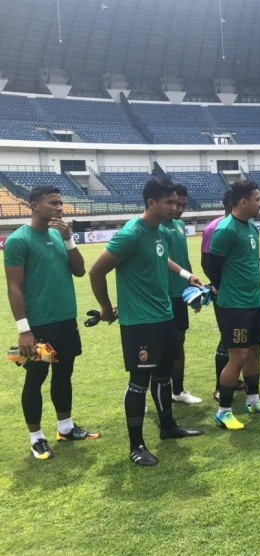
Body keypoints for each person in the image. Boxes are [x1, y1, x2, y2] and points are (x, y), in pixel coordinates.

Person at [89, 177, 203, 466]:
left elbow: (162, 259)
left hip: (164, 316)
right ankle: (136, 445)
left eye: (177, 203)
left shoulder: (159, 231)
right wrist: (105, 308)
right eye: (170, 202)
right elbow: (96, 272)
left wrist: (185, 275)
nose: (175, 208)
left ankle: (168, 427)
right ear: (151, 202)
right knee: (139, 381)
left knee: (163, 375)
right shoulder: (131, 233)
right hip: (139, 322)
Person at [4, 186, 98, 460]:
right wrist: (24, 331)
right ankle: (36, 438)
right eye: (53, 203)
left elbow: (80, 271)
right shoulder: (19, 240)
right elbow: (14, 288)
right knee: (35, 378)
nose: (59, 207)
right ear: (34, 206)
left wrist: (69, 240)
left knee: (64, 374)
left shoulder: (60, 236)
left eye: (60, 203)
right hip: (38, 326)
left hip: (65, 321)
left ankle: (65, 428)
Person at [208, 180, 260, 430]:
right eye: (258, 199)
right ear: (243, 202)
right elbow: (212, 265)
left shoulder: (251, 228)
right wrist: (220, 287)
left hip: (253, 302)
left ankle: (253, 400)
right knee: (237, 356)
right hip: (234, 305)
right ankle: (224, 411)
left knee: (255, 350)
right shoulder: (226, 229)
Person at [201, 190, 245, 401]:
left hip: (241, 294)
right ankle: (220, 386)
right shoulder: (216, 227)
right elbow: (207, 262)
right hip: (224, 292)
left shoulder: (243, 225)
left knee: (238, 341)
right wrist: (219, 286)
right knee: (226, 339)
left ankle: (233, 380)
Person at [162, 183, 202, 404]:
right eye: (176, 204)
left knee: (179, 341)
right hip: (160, 295)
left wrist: (191, 289)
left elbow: (183, 259)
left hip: (179, 294)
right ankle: (148, 389)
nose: (179, 209)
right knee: (158, 345)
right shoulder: (156, 228)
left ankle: (177, 390)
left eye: (183, 205)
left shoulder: (178, 225)